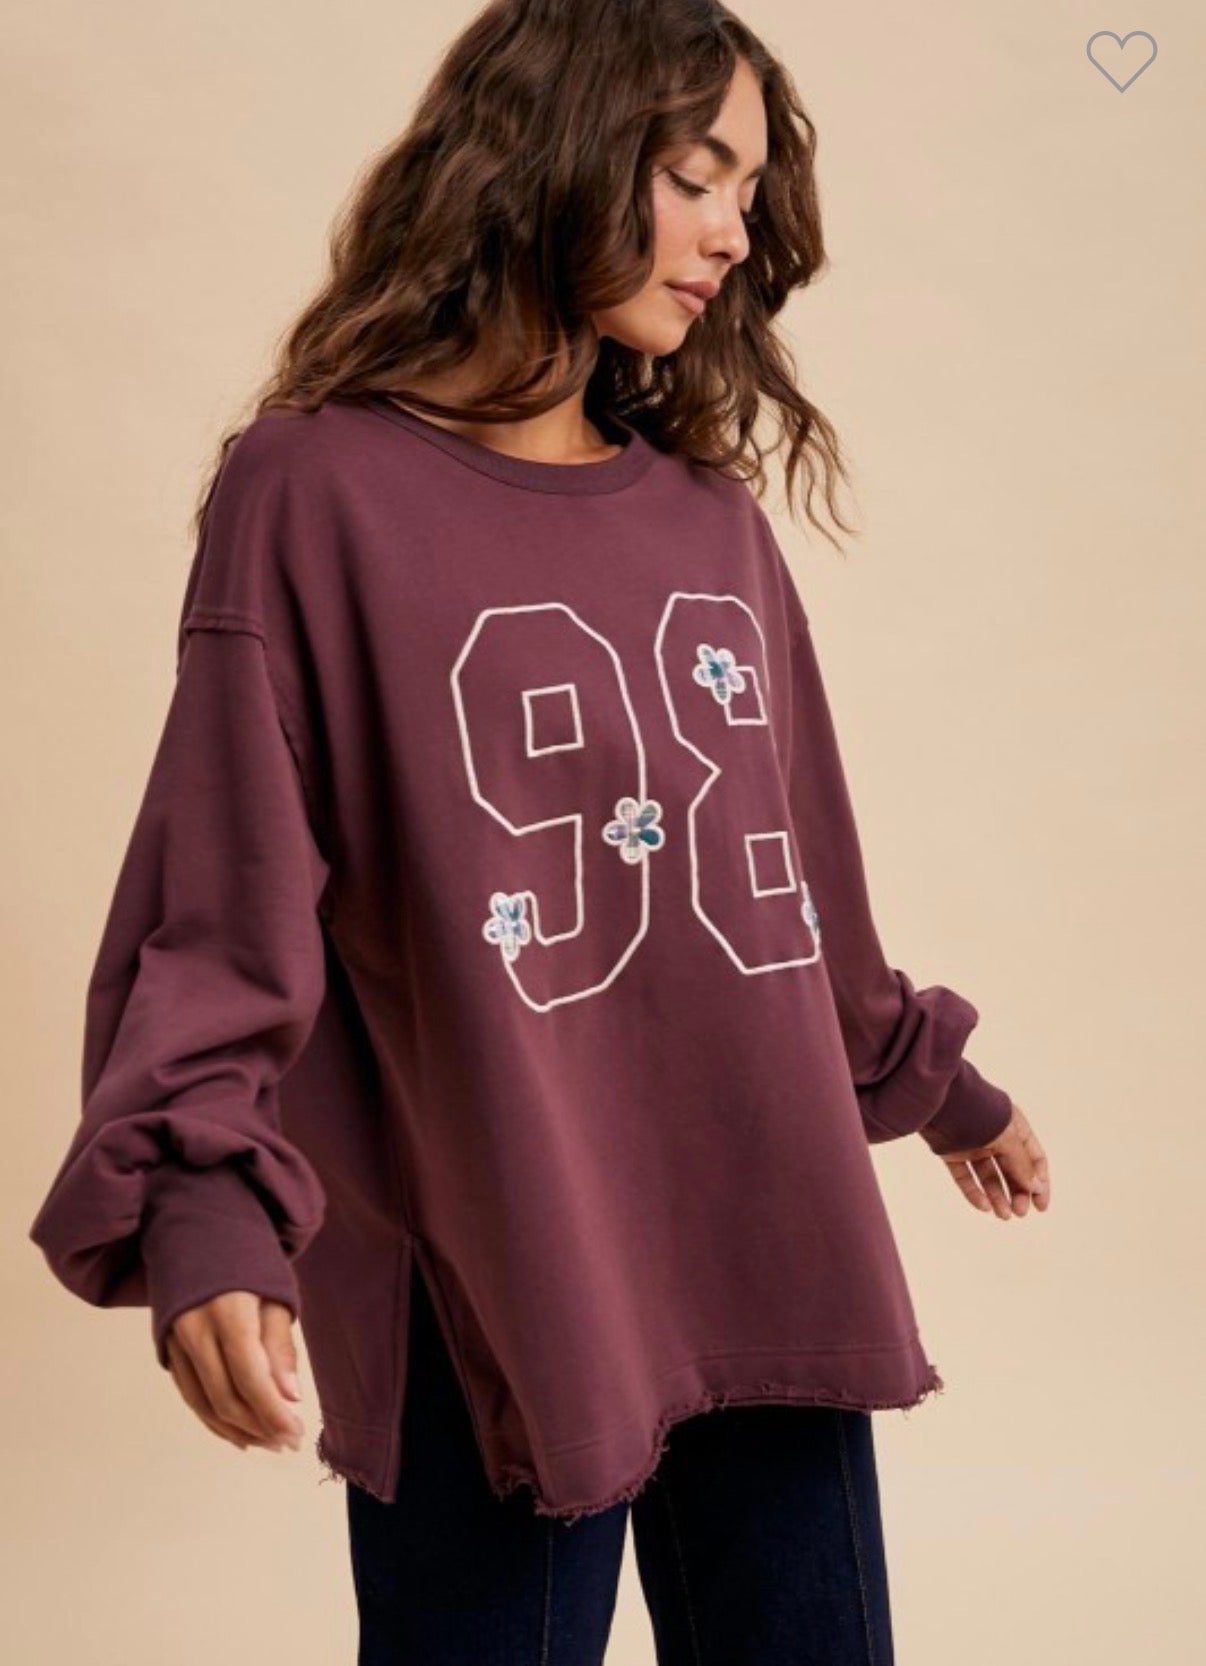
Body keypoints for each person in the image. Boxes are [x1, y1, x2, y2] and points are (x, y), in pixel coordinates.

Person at [28, 1, 1050, 1660]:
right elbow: (220, 890)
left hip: (762, 1226)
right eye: (694, 176)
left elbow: (792, 881)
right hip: (487, 1259)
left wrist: (931, 1079)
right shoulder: (312, 491)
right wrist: (205, 1201)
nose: (734, 233)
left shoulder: (710, 521)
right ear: (554, 152)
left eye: (750, 193)